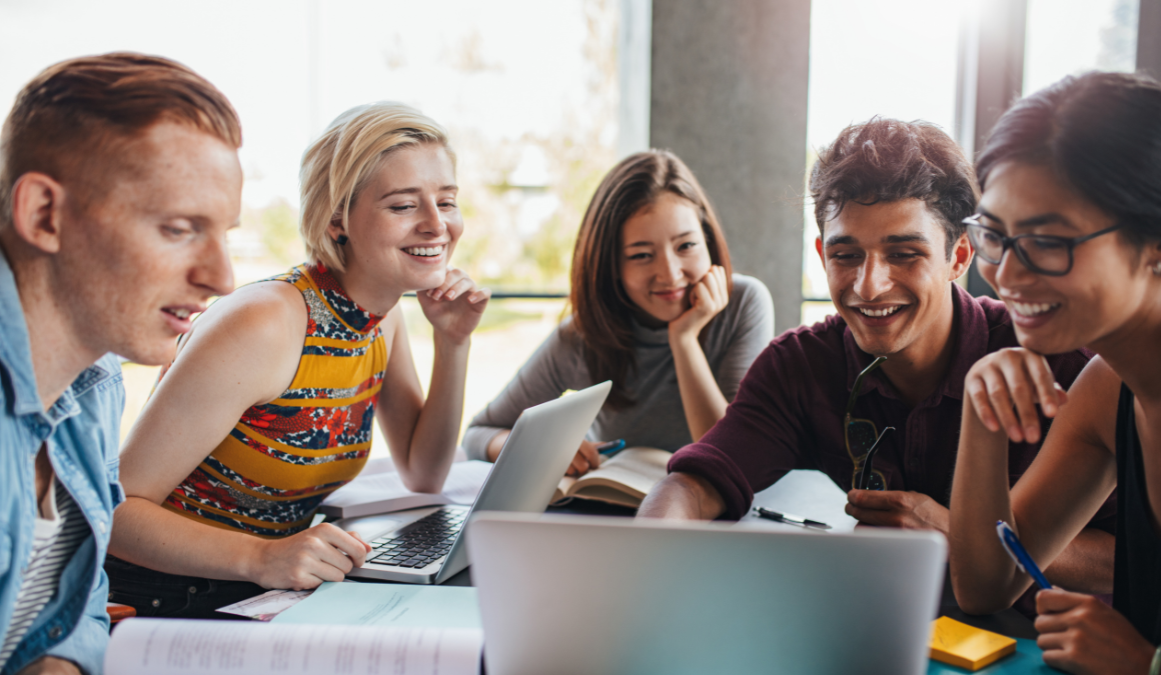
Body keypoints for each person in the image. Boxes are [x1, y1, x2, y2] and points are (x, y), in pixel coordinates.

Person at [637, 118, 1115, 598]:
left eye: (904, 254)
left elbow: (1134, 563)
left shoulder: (1062, 364)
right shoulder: (799, 365)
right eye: (846, 256)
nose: (869, 286)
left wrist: (955, 533)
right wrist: (646, 568)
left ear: (960, 256)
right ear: (823, 254)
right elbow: (692, 486)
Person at [107, 102, 489, 619]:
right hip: (163, 600)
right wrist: (262, 556)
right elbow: (115, 512)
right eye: (403, 206)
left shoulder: (383, 315)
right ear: (338, 220)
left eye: (446, 201)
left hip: (262, 592)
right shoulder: (264, 323)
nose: (435, 225)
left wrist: (454, 341)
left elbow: (424, 472)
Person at [949, 72, 1161, 674]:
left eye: (1044, 240)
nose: (1006, 275)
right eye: (995, 237)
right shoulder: (1107, 388)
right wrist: (980, 410)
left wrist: (1153, 667)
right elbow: (987, 586)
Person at [0, 54, 242, 675]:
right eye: (179, 229)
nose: (221, 278)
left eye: (224, 234)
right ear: (43, 216)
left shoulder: (94, 376)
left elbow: (65, 612)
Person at [462, 150, 774, 476]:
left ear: (707, 241)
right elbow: (478, 435)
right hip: (612, 513)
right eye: (641, 255)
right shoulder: (583, 336)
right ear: (611, 265)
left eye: (686, 246)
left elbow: (728, 454)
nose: (669, 274)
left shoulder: (744, 303)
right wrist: (543, 450)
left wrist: (684, 339)